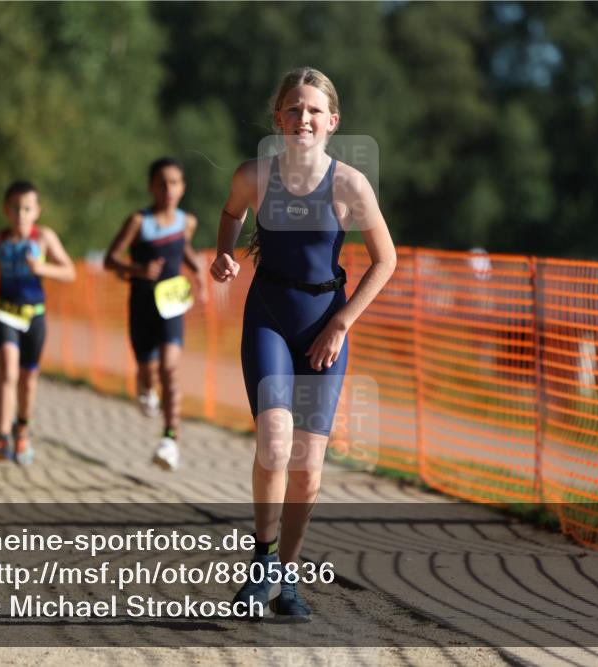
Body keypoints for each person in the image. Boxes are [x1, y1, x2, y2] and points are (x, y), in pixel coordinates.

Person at [210, 67, 396, 619]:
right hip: (268, 316)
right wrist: (224, 252)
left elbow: (387, 261)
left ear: (333, 122)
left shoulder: (349, 185)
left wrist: (342, 324)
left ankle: (288, 579)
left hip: (324, 331)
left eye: (314, 110)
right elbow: (229, 214)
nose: (304, 118)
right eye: (294, 108)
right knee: (273, 447)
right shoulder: (255, 176)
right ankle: (263, 562)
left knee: (309, 466)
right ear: (278, 119)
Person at [104, 158, 208, 471]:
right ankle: (145, 388)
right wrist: (137, 269)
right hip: (141, 307)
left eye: (175, 182)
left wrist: (196, 269)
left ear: (183, 187)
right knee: (149, 372)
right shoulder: (139, 221)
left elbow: (183, 247)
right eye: (162, 183)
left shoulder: (187, 221)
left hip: (172, 306)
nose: (168, 189)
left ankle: (170, 440)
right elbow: (110, 259)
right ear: (151, 187)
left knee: (169, 369)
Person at [0, 181, 76, 465]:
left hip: (34, 316)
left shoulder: (44, 238)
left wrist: (43, 268)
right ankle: (3, 438)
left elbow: (69, 271)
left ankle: (23, 430)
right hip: (4, 312)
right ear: (6, 210)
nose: (21, 214)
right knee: (8, 372)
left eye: (27, 208)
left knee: (28, 379)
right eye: (15, 208)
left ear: (36, 211)